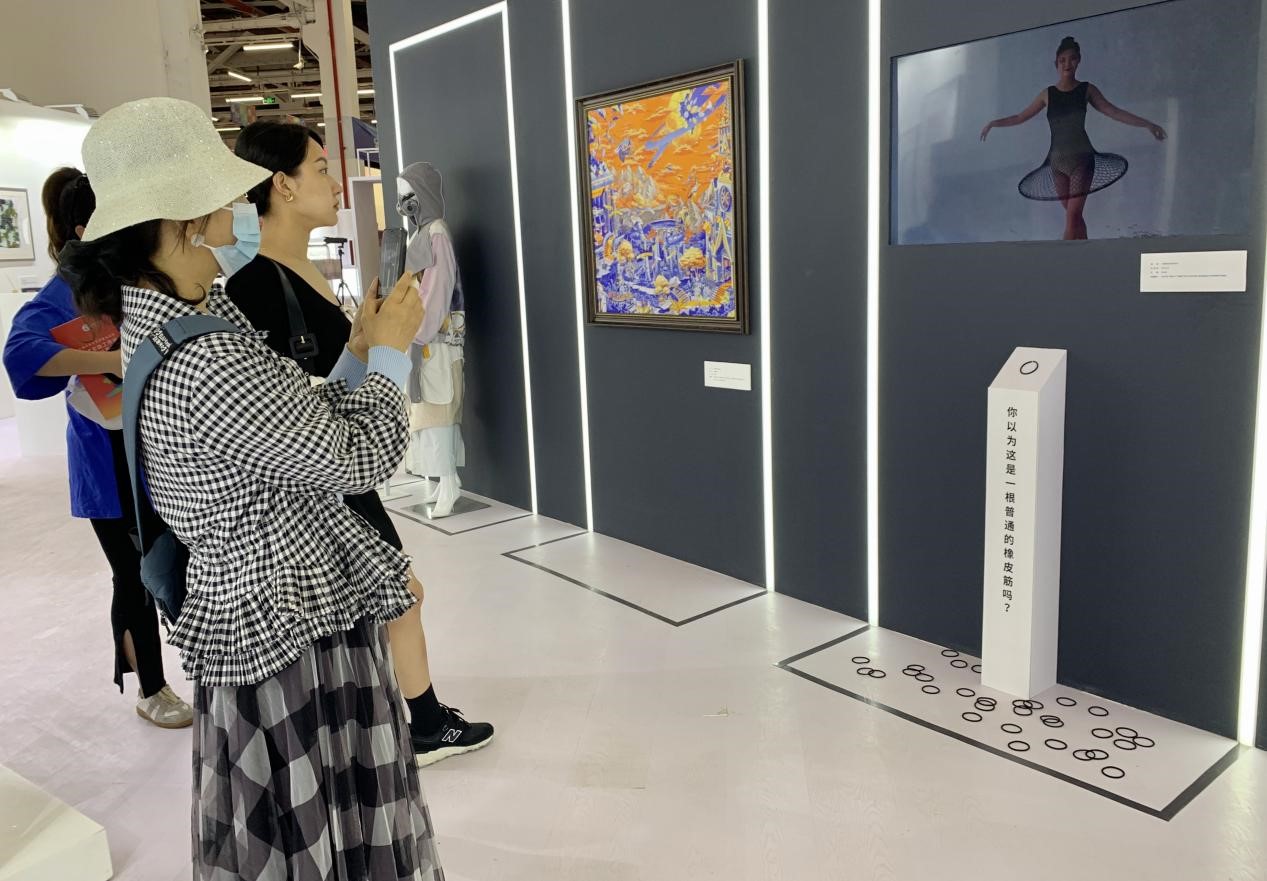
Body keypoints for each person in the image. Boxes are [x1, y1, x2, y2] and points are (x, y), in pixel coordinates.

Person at [60, 97, 443, 879]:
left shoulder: (182, 319)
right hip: (285, 616)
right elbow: (355, 458)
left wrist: (358, 352)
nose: (236, 207)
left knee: (308, 810)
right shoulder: (203, 353)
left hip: (269, 604)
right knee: (317, 813)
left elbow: (290, 421)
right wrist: (392, 355)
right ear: (182, 217)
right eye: (222, 194)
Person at [226, 120, 493, 763]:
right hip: (325, 481)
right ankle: (417, 722)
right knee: (397, 595)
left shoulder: (301, 271)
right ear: (283, 185)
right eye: (320, 168)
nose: (336, 182)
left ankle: (413, 717)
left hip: (341, 471)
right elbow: (292, 412)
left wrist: (372, 343)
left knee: (397, 595)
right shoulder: (254, 287)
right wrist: (382, 352)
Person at [3, 167, 193, 729]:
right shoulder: (64, 292)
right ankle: (151, 686)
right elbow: (21, 355)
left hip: (159, 450)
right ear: (86, 229)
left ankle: (198, 665)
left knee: (176, 560)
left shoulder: (135, 278)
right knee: (132, 573)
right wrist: (111, 359)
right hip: (105, 458)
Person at [980, 35, 1167, 240]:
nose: (1067, 64)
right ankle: (1085, 254)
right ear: (1056, 64)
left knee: (1072, 217)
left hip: (1082, 160)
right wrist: (993, 123)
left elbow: (1113, 111)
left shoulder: (1087, 89)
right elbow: (1020, 117)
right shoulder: (1047, 94)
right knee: (1075, 218)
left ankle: (1064, 257)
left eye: (1072, 59)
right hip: (1056, 163)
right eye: (1062, 60)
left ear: (1078, 61)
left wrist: (1148, 124)